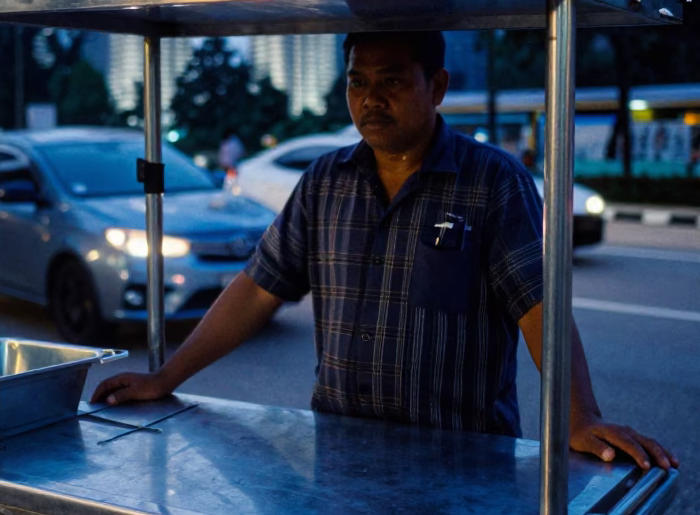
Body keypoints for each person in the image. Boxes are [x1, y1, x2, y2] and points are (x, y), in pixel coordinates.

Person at [93, 31, 677, 473]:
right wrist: (166, 376)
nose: (370, 99)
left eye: (392, 81)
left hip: (464, 462)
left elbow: (539, 308)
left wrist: (581, 416)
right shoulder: (326, 181)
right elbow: (254, 290)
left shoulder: (492, 183)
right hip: (342, 457)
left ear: (437, 87)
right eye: (357, 82)